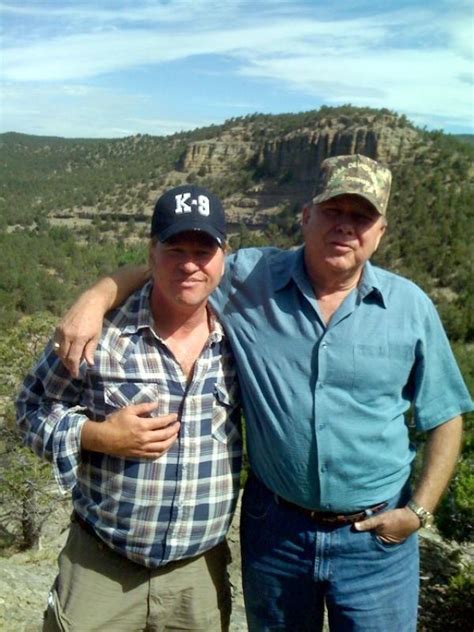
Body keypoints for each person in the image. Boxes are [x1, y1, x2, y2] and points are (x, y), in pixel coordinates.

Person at [52, 155, 472, 632]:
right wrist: (96, 298)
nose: (345, 226)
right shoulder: (250, 278)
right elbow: (177, 266)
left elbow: (446, 415)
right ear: (306, 216)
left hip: (376, 543)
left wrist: (418, 512)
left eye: (361, 217)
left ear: (381, 231)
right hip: (277, 536)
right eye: (333, 211)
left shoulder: (410, 307)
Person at [16, 185, 242, 632]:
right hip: (101, 565)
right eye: (174, 249)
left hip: (197, 575)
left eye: (203, 251)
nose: (189, 264)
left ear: (224, 256)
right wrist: (94, 436)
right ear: (151, 251)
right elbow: (30, 406)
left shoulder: (242, 335)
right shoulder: (100, 332)